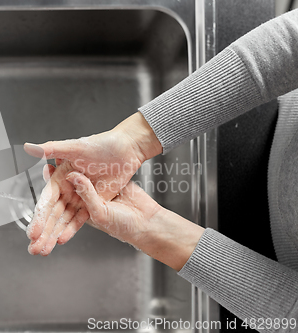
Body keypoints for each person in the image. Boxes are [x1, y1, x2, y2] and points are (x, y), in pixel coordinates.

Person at [23, 8, 298, 333]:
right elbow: (291, 43)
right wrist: (133, 140)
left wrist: (150, 228)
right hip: (277, 117)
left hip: (260, 275)